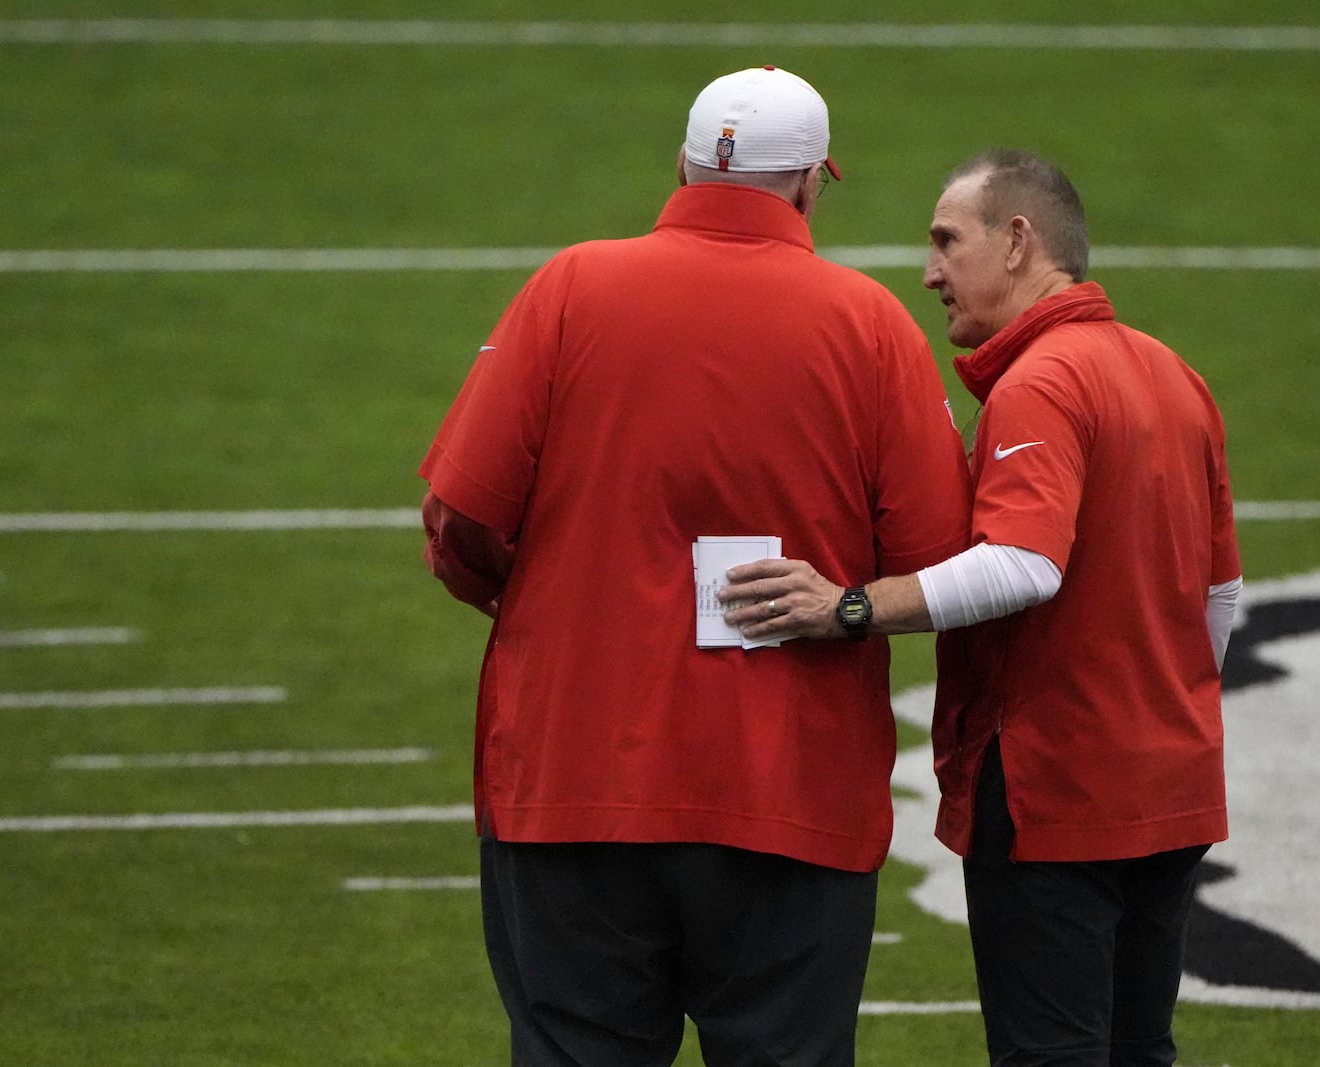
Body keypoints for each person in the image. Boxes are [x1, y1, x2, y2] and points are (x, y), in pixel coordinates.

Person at [418, 66, 970, 1066]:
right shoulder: (871, 326)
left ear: (680, 161)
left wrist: (538, 598)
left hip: (570, 778)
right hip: (787, 795)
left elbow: (459, 517)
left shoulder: (570, 286)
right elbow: (935, 564)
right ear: (809, 184)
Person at [720, 149, 1242, 1067]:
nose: (928, 272)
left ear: (1017, 241)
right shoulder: (1174, 374)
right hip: (1172, 790)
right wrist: (1164, 717)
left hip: (1058, 790)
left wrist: (848, 607)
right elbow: (1222, 594)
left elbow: (1023, 565)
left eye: (945, 242)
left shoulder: (1042, 380)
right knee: (1139, 1049)